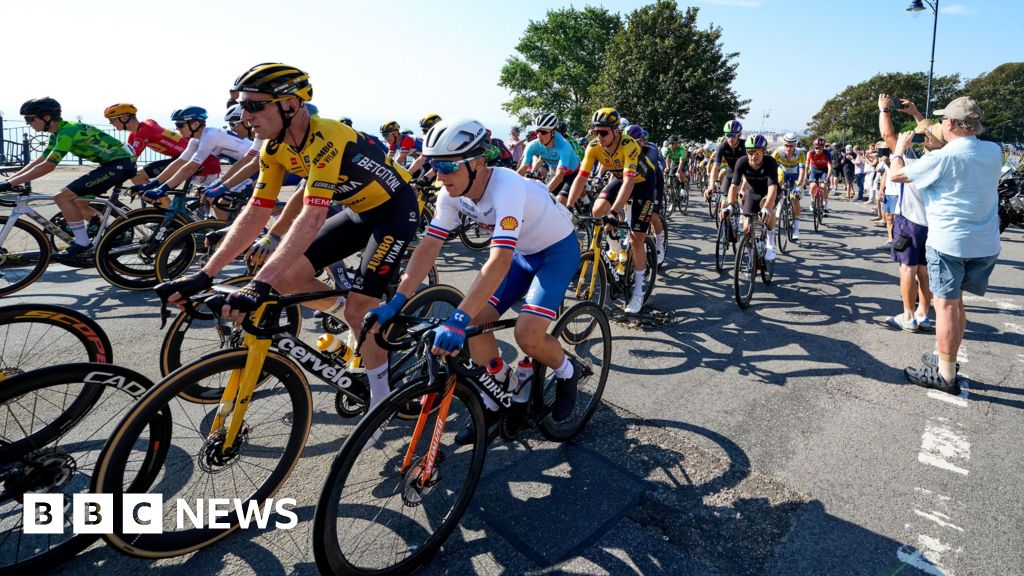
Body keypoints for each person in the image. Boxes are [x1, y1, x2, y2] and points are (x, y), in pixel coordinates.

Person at [156, 63, 418, 412]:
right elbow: (256, 211)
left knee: (360, 306)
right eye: (243, 106)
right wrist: (205, 273)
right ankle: (355, 322)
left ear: (291, 104)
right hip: (357, 209)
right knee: (294, 278)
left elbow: (312, 215)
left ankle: (382, 401)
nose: (245, 116)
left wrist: (259, 284)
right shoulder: (274, 148)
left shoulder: (328, 135)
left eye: (254, 105)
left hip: (395, 210)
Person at [368, 118, 583, 437]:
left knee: (527, 336)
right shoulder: (450, 194)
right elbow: (428, 247)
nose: (440, 176)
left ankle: (567, 371)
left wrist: (456, 317)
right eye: (435, 167)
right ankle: (496, 393)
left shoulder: (506, 186)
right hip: (523, 256)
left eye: (448, 167)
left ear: (478, 162)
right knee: (474, 325)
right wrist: (399, 300)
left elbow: (497, 261)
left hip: (556, 252)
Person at [889, 96, 1002, 395]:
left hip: (951, 242)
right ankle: (944, 356)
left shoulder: (943, 158)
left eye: (941, 120)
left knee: (947, 305)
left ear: (950, 124)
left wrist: (899, 151)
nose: (939, 124)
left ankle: (946, 375)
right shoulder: (994, 151)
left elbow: (897, 175)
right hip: (986, 243)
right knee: (956, 303)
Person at [1, 97, 136, 256]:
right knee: (78, 201)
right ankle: (110, 232)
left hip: (119, 164)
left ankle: (83, 243)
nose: (27, 123)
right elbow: (40, 161)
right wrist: (8, 181)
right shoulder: (57, 134)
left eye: (30, 119)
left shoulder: (67, 132)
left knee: (62, 197)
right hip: (112, 164)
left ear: (47, 117)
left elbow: (48, 166)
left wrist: (10, 184)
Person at [565, 108, 658, 314]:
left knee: (636, 239)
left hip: (642, 182)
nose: (599, 137)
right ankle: (615, 250)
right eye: (595, 132)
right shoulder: (594, 147)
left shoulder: (629, 145)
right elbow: (581, 177)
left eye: (604, 132)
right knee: (597, 210)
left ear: (617, 131)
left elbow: (629, 182)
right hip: (619, 177)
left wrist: (615, 212)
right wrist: (568, 207)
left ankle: (638, 292)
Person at [878, 95, 945, 333]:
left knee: (908, 269)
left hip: (911, 221)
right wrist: (916, 114)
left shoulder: (918, 162)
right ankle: (924, 313)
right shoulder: (945, 159)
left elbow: (888, 136)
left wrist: (884, 110)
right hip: (934, 224)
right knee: (925, 271)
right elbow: (933, 135)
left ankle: (907, 315)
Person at [135, 106, 252, 201]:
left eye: (181, 125)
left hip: (253, 165)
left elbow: (191, 168)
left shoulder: (210, 136)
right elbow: (180, 162)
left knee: (222, 201)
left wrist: (162, 189)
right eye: (176, 125)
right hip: (242, 165)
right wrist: (154, 183)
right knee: (210, 198)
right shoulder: (195, 140)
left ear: (195, 124)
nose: (178, 128)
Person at [103, 103, 220, 187]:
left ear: (124, 118)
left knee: (136, 175)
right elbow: (126, 156)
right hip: (186, 157)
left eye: (113, 120)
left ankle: (165, 211)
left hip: (197, 160)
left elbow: (129, 160)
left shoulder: (143, 132)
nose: (111, 123)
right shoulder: (140, 130)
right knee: (138, 175)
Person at [720, 134, 779, 262]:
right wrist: (730, 205)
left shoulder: (770, 162)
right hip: (754, 192)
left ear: (764, 152)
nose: (754, 155)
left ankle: (771, 242)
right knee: (746, 228)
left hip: (770, 192)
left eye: (758, 152)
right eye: (751, 152)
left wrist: (767, 209)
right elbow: (734, 185)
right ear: (747, 152)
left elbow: (773, 188)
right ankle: (752, 258)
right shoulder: (741, 162)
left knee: (767, 208)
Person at [517, 112, 580, 200]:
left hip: (573, 173)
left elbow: (560, 175)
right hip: (556, 173)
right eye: (537, 131)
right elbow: (523, 168)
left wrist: (544, 194)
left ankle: (586, 202)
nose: (539, 135)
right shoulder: (533, 145)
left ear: (553, 132)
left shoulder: (564, 145)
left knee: (560, 201)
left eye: (543, 132)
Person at [772, 132, 806, 239]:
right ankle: (780, 205)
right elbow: (770, 165)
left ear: (795, 145)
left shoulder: (800, 153)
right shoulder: (778, 152)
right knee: (779, 181)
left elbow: (802, 171)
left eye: (791, 145)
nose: (788, 148)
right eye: (786, 145)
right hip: (783, 172)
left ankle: (796, 227)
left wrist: (799, 186)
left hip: (796, 175)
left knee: (794, 198)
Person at [705, 120, 746, 201]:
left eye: (733, 135)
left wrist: (743, 188)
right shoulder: (722, 146)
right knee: (723, 203)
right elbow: (715, 167)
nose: (730, 138)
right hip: (730, 173)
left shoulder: (745, 146)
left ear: (739, 135)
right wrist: (711, 186)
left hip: (745, 175)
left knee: (742, 200)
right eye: (728, 135)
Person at [805, 137, 833, 216]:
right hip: (814, 170)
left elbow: (830, 167)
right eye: (816, 148)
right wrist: (805, 177)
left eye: (821, 148)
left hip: (823, 170)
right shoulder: (810, 153)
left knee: (823, 186)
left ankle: (826, 206)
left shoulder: (827, 153)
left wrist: (827, 178)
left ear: (823, 147)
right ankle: (812, 201)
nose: (818, 150)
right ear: (814, 147)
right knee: (813, 185)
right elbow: (806, 166)